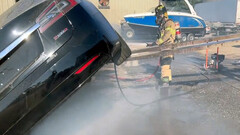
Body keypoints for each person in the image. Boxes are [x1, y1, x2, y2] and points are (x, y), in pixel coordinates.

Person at [148, 4, 176, 86]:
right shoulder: (163, 25)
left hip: (168, 47)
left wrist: (156, 43)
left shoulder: (169, 23)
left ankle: (165, 83)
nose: (157, 17)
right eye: (157, 16)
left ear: (163, 14)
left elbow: (166, 36)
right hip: (164, 48)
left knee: (165, 64)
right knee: (165, 64)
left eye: (158, 15)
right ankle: (168, 81)